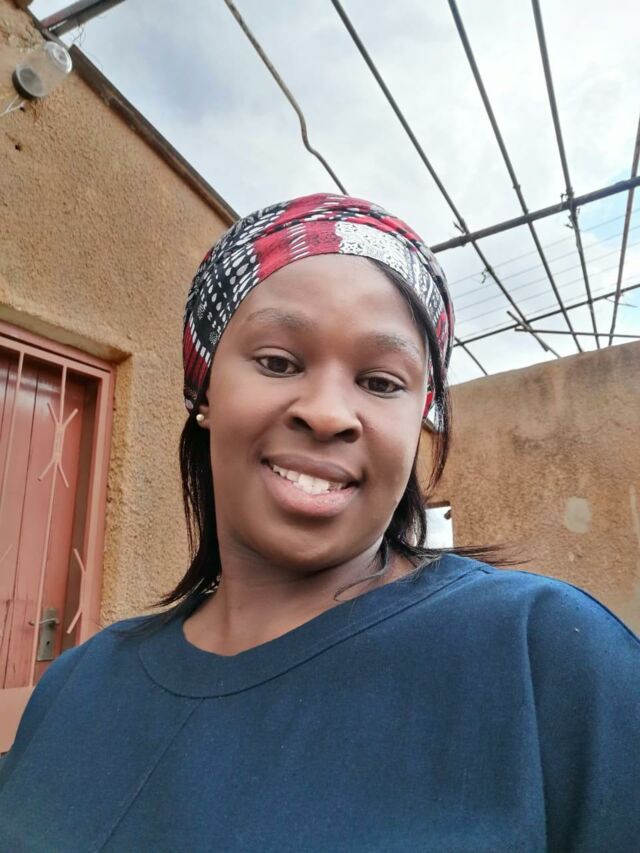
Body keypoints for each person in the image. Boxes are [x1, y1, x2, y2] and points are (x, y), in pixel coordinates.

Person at [0, 193, 638, 852]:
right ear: (205, 391)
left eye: (381, 382)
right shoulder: (77, 685)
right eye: (278, 362)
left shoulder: (549, 658)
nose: (329, 413)